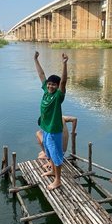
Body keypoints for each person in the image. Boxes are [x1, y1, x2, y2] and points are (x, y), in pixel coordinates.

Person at [34, 51, 68, 190]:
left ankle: (58, 180)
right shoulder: (46, 92)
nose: (50, 86)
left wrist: (64, 64)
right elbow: (42, 75)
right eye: (49, 84)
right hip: (46, 128)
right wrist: (35, 59)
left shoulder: (58, 96)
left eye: (54, 85)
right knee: (49, 152)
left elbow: (64, 81)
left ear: (58, 86)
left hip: (54, 130)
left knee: (56, 155)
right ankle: (53, 171)